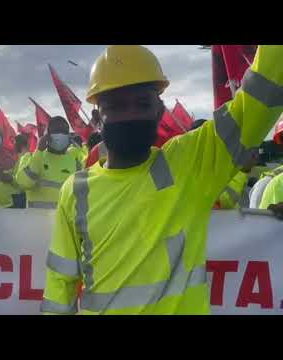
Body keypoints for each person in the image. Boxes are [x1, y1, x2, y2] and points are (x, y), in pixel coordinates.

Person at [41, 45, 283, 315]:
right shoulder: (75, 191)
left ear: (159, 111)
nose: (131, 114)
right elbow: (59, 286)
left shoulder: (191, 162)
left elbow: (261, 95)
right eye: (116, 105)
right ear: (97, 119)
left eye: (142, 104)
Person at [16, 116, 83, 210]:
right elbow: (24, 183)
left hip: (63, 222)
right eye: (55, 131)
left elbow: (79, 196)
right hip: (35, 220)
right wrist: (39, 151)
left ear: (68, 136)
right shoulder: (30, 157)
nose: (60, 134)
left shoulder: (76, 163)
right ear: (46, 135)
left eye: (63, 132)